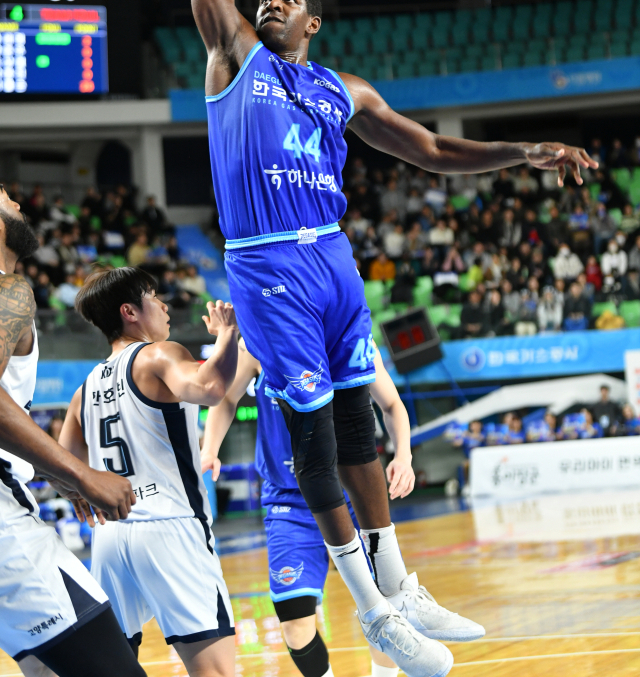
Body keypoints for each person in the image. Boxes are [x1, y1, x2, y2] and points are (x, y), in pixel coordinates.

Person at [186, 0, 596, 677]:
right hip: (269, 265)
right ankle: (371, 613)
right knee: (314, 440)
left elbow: (434, 150)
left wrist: (524, 150)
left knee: (359, 423)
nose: (270, 0)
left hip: (333, 259)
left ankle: (398, 580)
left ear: (315, 21)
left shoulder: (346, 90)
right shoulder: (232, 59)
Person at [204, 339, 467, 677]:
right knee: (295, 626)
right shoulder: (260, 341)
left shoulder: (350, 336)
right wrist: (210, 447)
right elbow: (226, 397)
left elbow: (392, 405)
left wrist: (404, 456)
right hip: (288, 500)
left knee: (382, 609)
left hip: (350, 492)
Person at [59, 269, 239, 677]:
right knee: (215, 672)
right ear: (130, 312)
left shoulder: (83, 389)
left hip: (110, 538)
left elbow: (63, 463)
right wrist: (227, 336)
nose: (164, 306)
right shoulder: (158, 354)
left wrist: (78, 494)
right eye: (154, 297)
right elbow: (209, 389)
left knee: (114, 669)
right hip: (170, 529)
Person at [0, 185, 147, 677]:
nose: (18, 203)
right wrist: (80, 474)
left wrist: (50, 470)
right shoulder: (9, 287)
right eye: (4, 196)